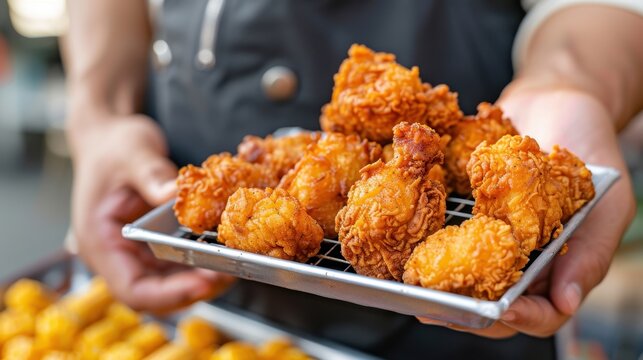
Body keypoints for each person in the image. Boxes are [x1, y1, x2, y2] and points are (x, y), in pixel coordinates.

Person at [65, 0, 642, 358]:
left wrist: (571, 85)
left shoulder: (441, 162)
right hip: (205, 291)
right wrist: (98, 115)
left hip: (445, 342)